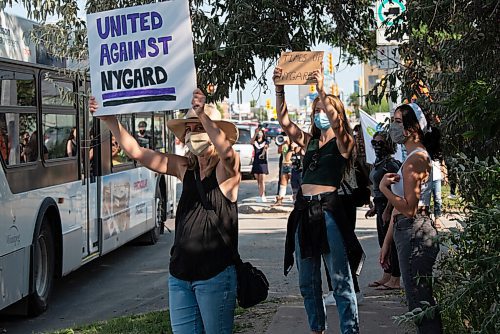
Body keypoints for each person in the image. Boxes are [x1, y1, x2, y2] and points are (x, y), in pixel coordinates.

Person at [90, 89, 241, 334]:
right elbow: (139, 153)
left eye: (199, 128)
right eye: (190, 129)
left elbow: (227, 154)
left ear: (215, 133)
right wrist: (110, 120)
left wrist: (203, 114)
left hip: (215, 276)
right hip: (180, 276)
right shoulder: (184, 167)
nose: (193, 134)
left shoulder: (226, 173)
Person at [277, 66, 363, 333]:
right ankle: (318, 328)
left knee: (339, 279)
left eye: (324, 110)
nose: (319, 114)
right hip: (305, 212)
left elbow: (338, 126)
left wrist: (322, 89)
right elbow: (284, 123)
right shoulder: (310, 142)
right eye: (316, 110)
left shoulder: (344, 142)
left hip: (329, 212)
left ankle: (350, 329)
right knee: (307, 281)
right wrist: (279, 88)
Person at [380, 103, 443, 333]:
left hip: (415, 232)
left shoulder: (415, 160)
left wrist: (384, 188)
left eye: (398, 121)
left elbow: (408, 209)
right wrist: (387, 243)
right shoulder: (412, 158)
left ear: (412, 128)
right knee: (419, 300)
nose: (393, 127)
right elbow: (400, 212)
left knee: (420, 303)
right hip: (409, 231)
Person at [365, 131, 402, 290]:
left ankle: (395, 279)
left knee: (391, 243)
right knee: (383, 242)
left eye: (380, 143)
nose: (377, 147)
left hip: (389, 206)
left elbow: (395, 190)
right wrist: (375, 207)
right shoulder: (378, 163)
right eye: (374, 143)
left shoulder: (391, 164)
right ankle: (387, 274)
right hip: (379, 205)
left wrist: (388, 209)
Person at [273, 134, 292, 206]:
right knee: (283, 184)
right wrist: (281, 143)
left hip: (291, 164)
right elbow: (279, 151)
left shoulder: (293, 144)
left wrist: (290, 144)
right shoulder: (284, 144)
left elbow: (291, 154)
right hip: (284, 164)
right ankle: (279, 200)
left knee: (294, 184)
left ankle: (295, 199)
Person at [251, 127, 269, 202]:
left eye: (260, 132)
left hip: (262, 163)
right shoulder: (255, 142)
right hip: (256, 162)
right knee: (258, 180)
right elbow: (251, 142)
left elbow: (266, 148)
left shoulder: (266, 142)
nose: (259, 134)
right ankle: (260, 195)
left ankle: (263, 195)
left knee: (262, 180)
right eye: (258, 132)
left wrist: (263, 153)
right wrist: (255, 133)